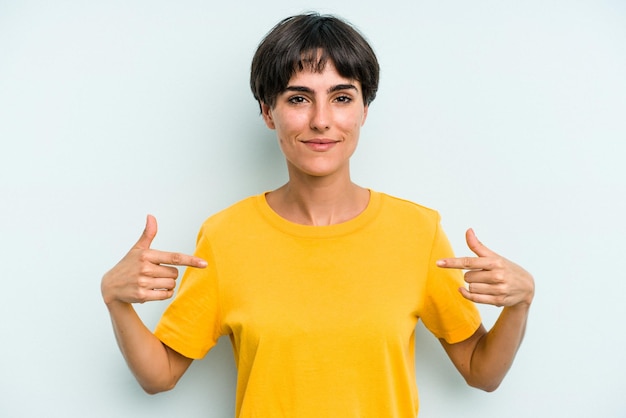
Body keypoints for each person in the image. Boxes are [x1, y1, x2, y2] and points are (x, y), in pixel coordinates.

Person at [101, 13, 534, 418]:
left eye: (342, 97)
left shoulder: (417, 232)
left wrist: (520, 302)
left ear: (364, 110)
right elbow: (159, 376)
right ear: (269, 112)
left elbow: (482, 372)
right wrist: (116, 300)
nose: (321, 120)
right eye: (299, 98)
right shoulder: (225, 236)